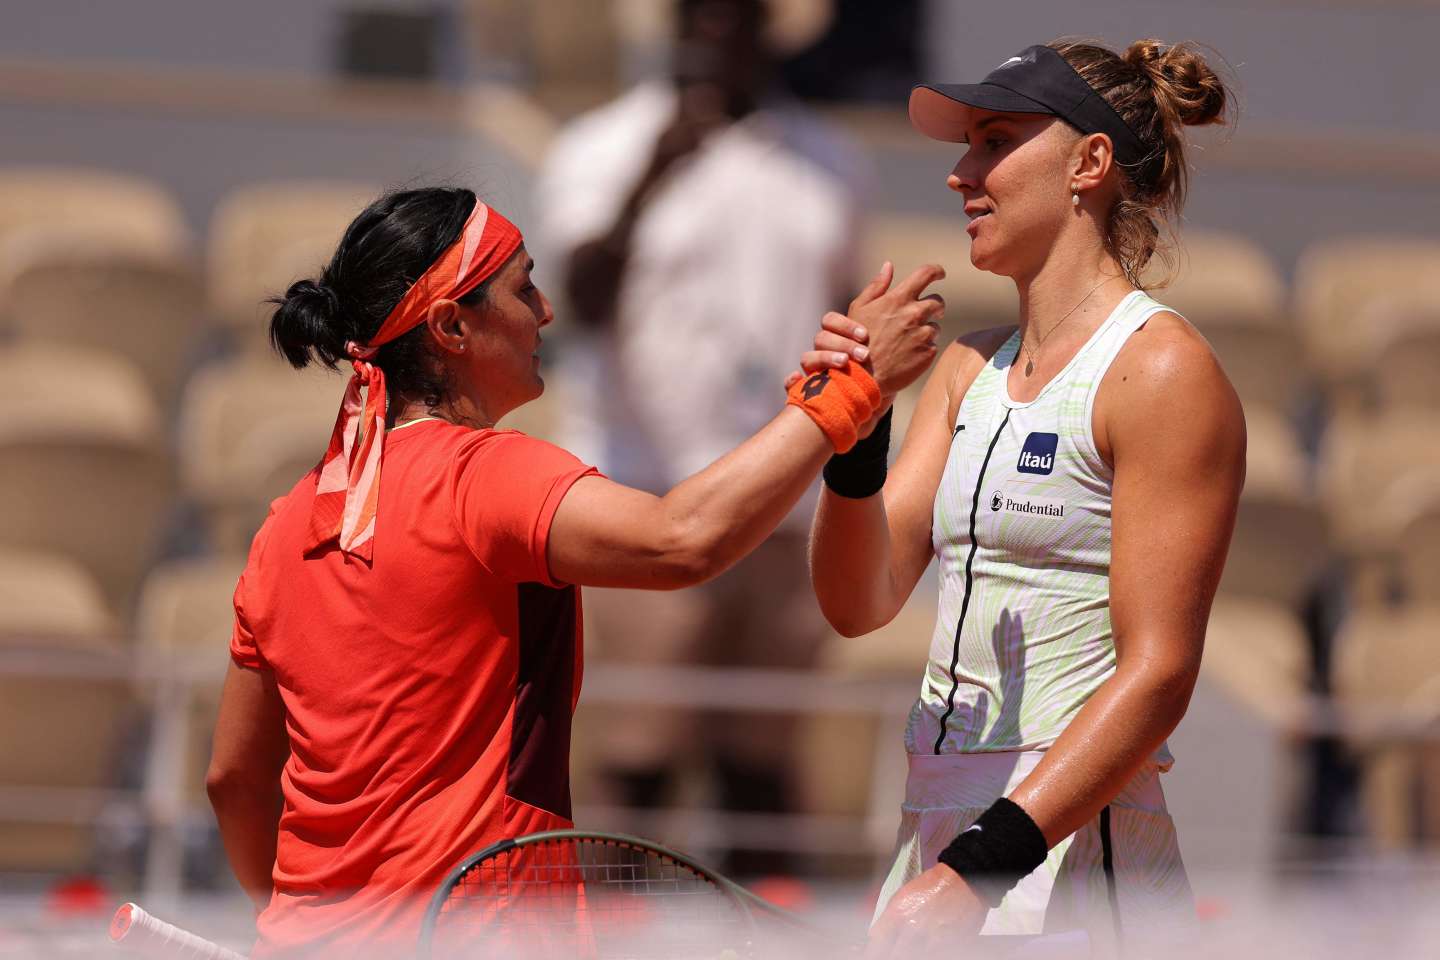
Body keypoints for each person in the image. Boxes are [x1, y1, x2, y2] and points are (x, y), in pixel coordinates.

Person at [203, 185, 943, 956]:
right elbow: (682, 539)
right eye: (523, 287)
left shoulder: (284, 525)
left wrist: (282, 924)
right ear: (451, 326)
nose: (546, 311)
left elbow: (235, 779)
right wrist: (850, 389)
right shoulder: (483, 476)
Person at [797, 39, 1245, 955]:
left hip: (1064, 854)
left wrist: (980, 865)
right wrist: (857, 434)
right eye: (966, 144)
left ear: (1089, 162)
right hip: (944, 841)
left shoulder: (1162, 368)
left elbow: (1159, 675)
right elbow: (856, 603)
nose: (962, 173)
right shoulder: (969, 365)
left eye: (993, 140)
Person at [533, 0, 867, 868]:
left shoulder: (828, 162)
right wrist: (655, 172)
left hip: (784, 502)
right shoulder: (601, 149)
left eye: (738, 16)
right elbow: (580, 303)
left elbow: (844, 317)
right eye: (700, 13)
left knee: (760, 759)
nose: (716, 32)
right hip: (643, 488)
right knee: (640, 752)